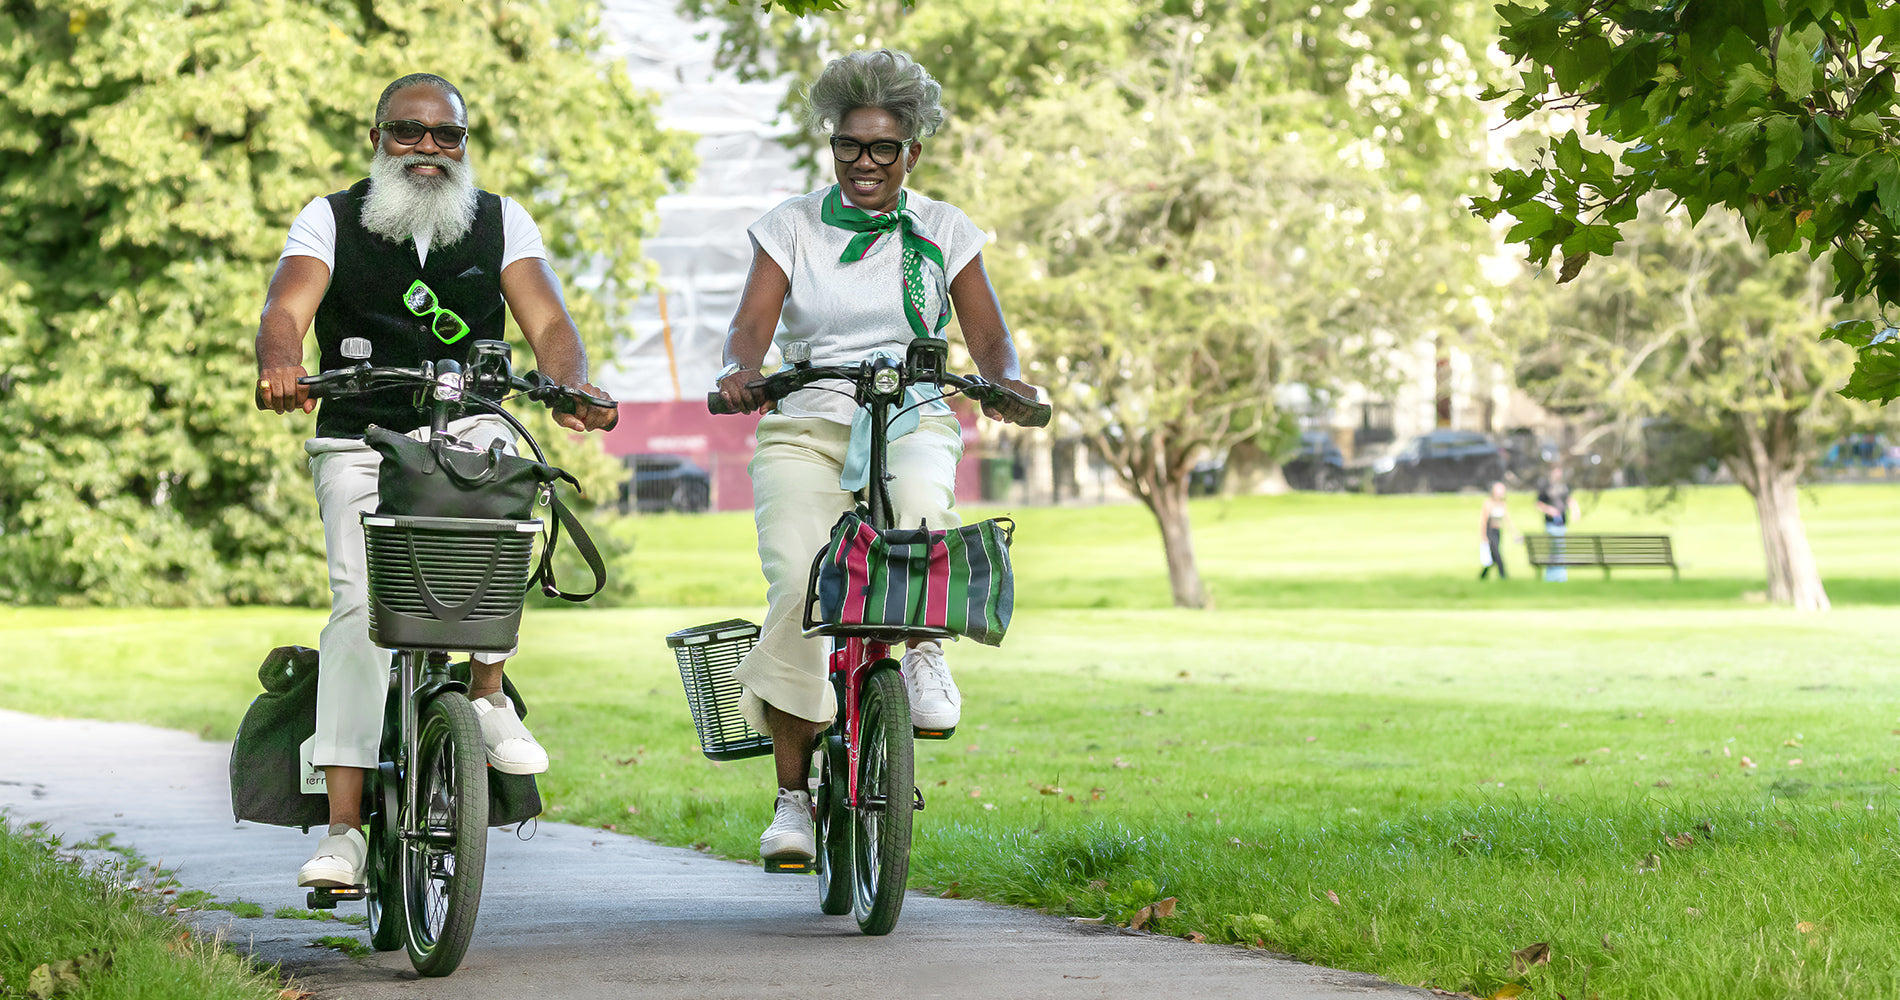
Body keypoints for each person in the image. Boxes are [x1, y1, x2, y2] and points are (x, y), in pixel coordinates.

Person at [254, 73, 617, 889]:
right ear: (376, 138)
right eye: (407, 131)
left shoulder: (498, 219)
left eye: (444, 135)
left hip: (471, 424)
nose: (426, 148)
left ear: (464, 142)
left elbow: (550, 323)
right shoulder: (331, 217)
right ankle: (343, 831)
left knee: (500, 507)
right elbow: (286, 309)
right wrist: (281, 362)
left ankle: (486, 695)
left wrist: (572, 385)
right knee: (358, 608)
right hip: (360, 434)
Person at [714, 50, 1044, 866]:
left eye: (883, 150)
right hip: (808, 420)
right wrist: (740, 374)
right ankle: (792, 801)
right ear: (831, 147)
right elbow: (750, 328)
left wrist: (1006, 382)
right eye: (849, 147)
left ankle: (926, 654)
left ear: (912, 155)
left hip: (912, 415)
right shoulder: (792, 225)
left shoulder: (944, 229)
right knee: (800, 585)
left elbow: (990, 338)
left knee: (926, 514)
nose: (864, 163)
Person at [1534, 464, 1581, 582]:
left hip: (1562, 523)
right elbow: (1538, 503)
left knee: (1560, 550)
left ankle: (1560, 576)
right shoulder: (1545, 486)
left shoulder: (1564, 487)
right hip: (1551, 523)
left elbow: (1569, 499)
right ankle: (1550, 576)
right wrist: (1549, 510)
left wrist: (1575, 510)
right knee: (1553, 550)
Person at [1477, 481, 1517, 580]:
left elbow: (1507, 520)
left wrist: (1515, 534)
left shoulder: (1502, 504)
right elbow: (1483, 520)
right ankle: (1503, 575)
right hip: (1489, 531)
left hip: (1498, 532)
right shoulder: (1488, 503)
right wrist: (1484, 536)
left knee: (1493, 556)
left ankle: (1483, 576)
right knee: (1497, 554)